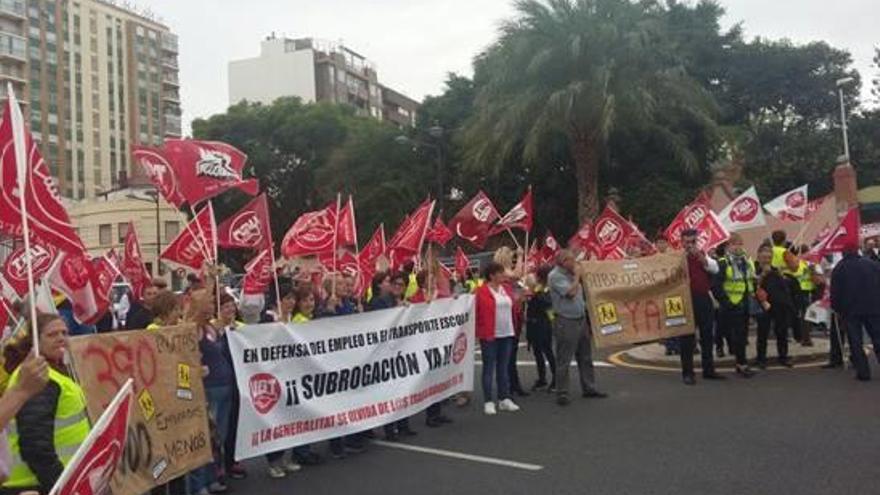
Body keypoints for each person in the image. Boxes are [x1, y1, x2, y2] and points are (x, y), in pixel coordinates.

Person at [1, 313, 90, 494]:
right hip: (36, 485)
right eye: (52, 334)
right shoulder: (39, 378)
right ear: (35, 339)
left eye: (64, 333)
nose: (60, 339)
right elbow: (35, 446)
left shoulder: (54, 371)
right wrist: (62, 487)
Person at [548, 250, 606, 404]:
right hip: (566, 320)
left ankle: (589, 387)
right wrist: (577, 276)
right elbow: (571, 293)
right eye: (571, 261)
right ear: (562, 261)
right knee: (564, 358)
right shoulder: (555, 276)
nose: (574, 263)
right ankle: (562, 392)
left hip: (580, 319)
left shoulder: (571, 272)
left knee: (585, 356)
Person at [368, 272, 419, 437]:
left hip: (400, 350)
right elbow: (381, 321)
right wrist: (398, 311)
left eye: (400, 284)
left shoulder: (400, 301)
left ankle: (403, 424)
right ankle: (390, 428)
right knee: (389, 391)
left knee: (403, 389)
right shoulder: (377, 302)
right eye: (392, 283)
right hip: (385, 352)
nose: (396, 286)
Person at [474, 262, 522, 414]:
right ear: (491, 275)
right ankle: (488, 401)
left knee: (503, 367)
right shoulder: (480, 291)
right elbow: (474, 311)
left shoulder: (506, 289)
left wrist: (520, 300)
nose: (503, 275)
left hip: (506, 332)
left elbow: (514, 306)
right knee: (489, 367)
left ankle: (504, 398)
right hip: (489, 334)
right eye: (500, 273)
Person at [678, 229, 723, 384]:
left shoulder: (702, 255)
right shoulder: (677, 257)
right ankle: (687, 373)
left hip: (703, 298)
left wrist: (700, 257)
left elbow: (715, 268)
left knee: (707, 336)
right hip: (685, 300)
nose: (690, 245)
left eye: (693, 242)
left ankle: (708, 369)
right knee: (687, 338)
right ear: (682, 242)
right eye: (687, 242)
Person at [830, 246, 880, 381]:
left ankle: (863, 372)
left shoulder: (839, 268)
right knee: (877, 337)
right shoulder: (873, 264)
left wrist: (837, 309)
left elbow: (835, 292)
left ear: (843, 253)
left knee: (855, 342)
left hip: (850, 310)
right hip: (873, 307)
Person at [713, 234, 756, 378]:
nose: (737, 247)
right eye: (734, 244)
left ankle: (740, 362)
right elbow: (716, 286)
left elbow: (749, 280)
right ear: (727, 246)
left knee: (742, 335)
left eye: (740, 244)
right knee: (736, 335)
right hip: (732, 304)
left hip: (744, 302)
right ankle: (742, 364)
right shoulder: (723, 262)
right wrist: (727, 302)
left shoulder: (745, 261)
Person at [754, 245, 795, 368]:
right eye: (764, 257)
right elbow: (753, 285)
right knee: (762, 333)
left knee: (781, 332)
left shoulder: (776, 271)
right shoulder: (754, 269)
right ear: (759, 256)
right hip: (762, 304)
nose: (767, 260)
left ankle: (783, 357)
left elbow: (783, 288)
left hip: (778, 305)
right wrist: (762, 275)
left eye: (769, 257)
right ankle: (761, 359)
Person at [526, 266, 556, 392]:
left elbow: (549, 306)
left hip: (542, 324)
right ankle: (542, 378)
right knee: (537, 352)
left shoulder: (545, 289)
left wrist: (553, 321)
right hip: (533, 324)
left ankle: (556, 379)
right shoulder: (537, 289)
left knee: (547, 351)